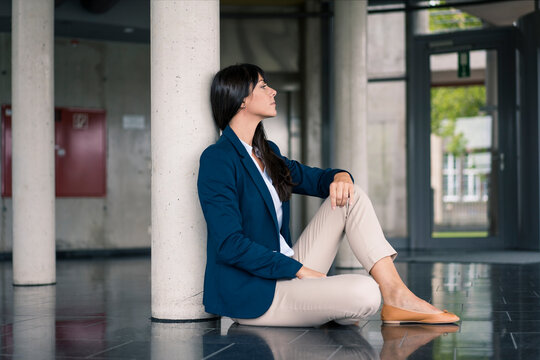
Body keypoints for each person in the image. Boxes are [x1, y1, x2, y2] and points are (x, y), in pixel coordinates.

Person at [197, 63, 459, 327]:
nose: (273, 92)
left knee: (351, 196)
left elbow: (319, 179)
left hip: (286, 272)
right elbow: (230, 244)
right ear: (241, 100)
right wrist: (300, 271)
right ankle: (340, 306)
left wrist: (341, 176)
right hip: (255, 293)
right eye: (264, 86)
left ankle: (396, 294)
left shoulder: (267, 152)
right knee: (365, 292)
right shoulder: (218, 159)